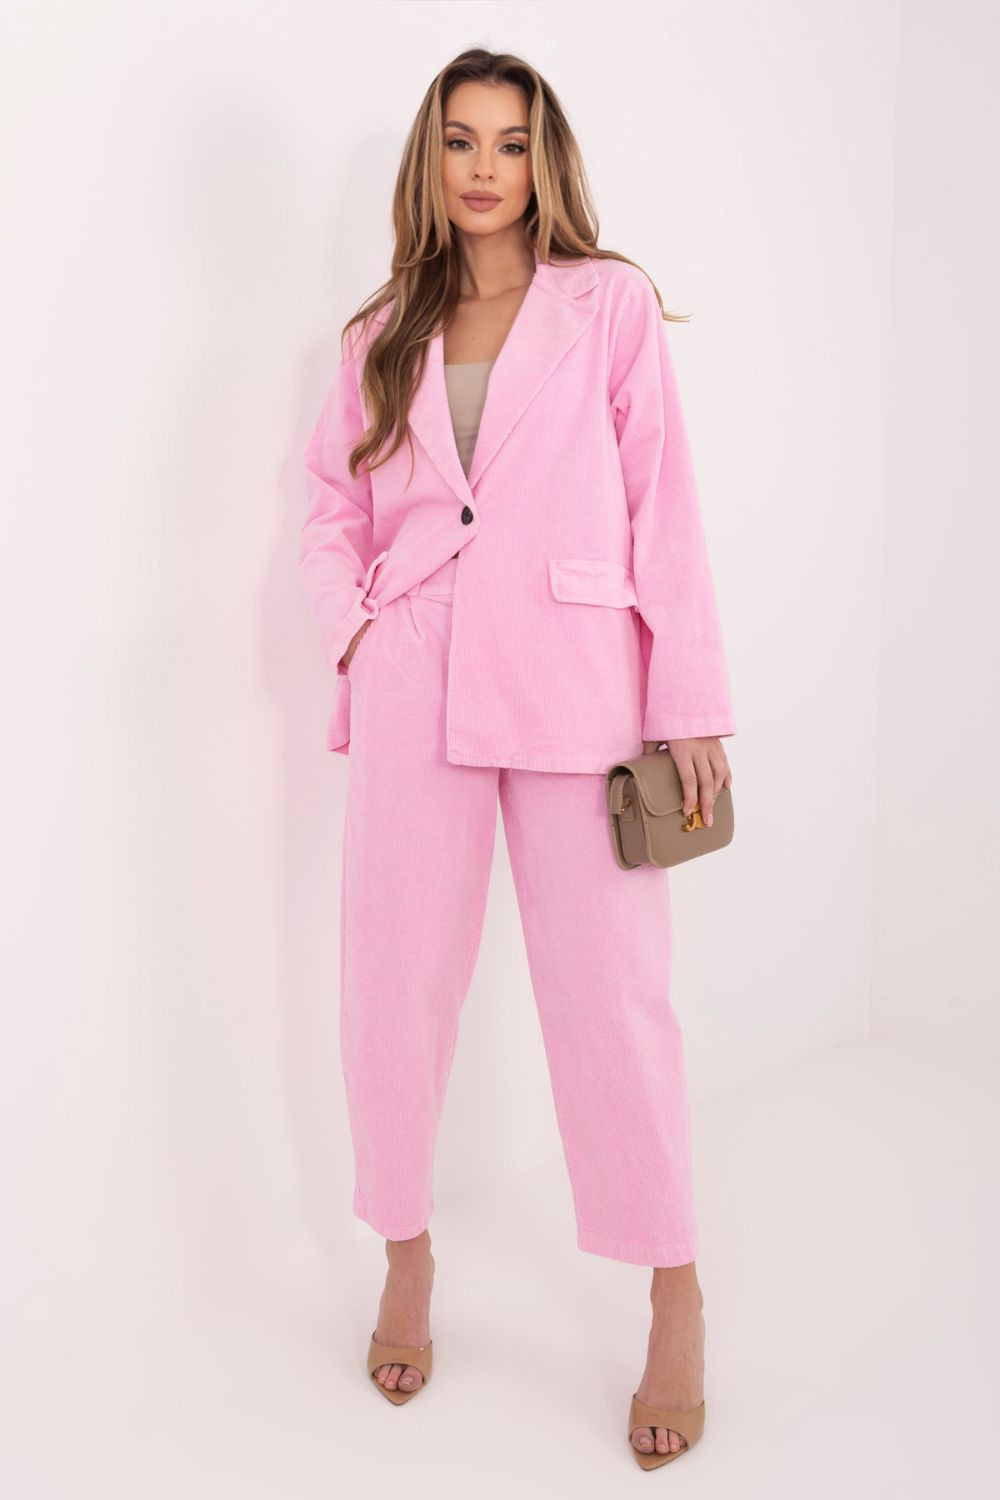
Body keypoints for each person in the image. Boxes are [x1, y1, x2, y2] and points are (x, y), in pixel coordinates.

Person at [298, 48, 735, 1470]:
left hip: (574, 683)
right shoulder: (382, 329)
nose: (484, 167)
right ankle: (406, 1252)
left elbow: (663, 504)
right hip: (418, 678)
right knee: (392, 986)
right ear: (429, 163)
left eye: (509, 141)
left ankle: (674, 1290)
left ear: (545, 161)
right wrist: (359, 634)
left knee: (615, 1000)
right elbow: (329, 511)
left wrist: (688, 701)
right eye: (460, 141)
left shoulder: (608, 306)